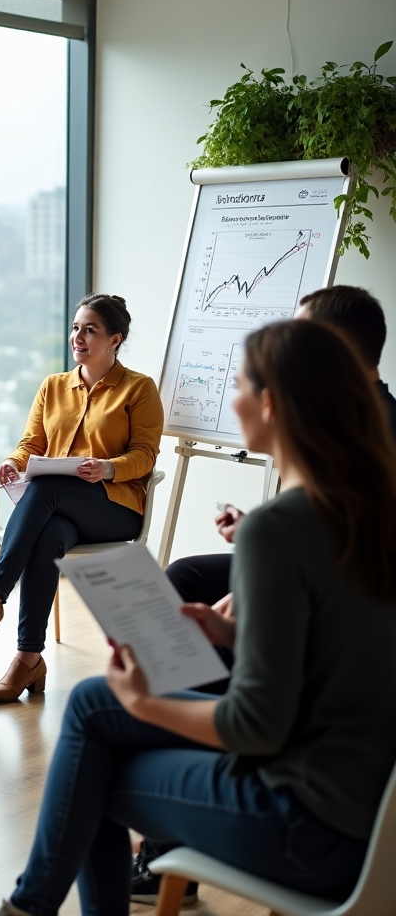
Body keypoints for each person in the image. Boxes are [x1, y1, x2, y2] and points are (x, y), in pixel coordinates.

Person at [0, 318, 396, 916]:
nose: (231, 400)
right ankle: (30, 906)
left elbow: (257, 726)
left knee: (93, 749)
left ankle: (29, 907)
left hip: (305, 827)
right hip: (367, 815)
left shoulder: (279, 530)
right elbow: (335, 643)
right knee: (92, 712)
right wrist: (230, 630)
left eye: (239, 385)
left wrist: (146, 701)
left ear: (273, 403)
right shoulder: (366, 512)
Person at [131, 283, 396, 904]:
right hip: (315, 565)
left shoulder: (368, 421)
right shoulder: (348, 409)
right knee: (191, 577)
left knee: (179, 641)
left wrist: (254, 593)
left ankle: (183, 771)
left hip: (339, 586)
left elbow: (340, 547)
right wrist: (254, 537)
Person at [0, 294, 163, 702]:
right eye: (76, 327)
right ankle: (28, 659)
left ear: (115, 339)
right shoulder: (53, 386)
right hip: (61, 508)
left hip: (114, 508)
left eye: (90, 329)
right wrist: (12, 462)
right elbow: (32, 443)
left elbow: (145, 457)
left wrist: (109, 468)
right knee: (48, 535)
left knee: (44, 488)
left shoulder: (139, 389)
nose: (78, 336)